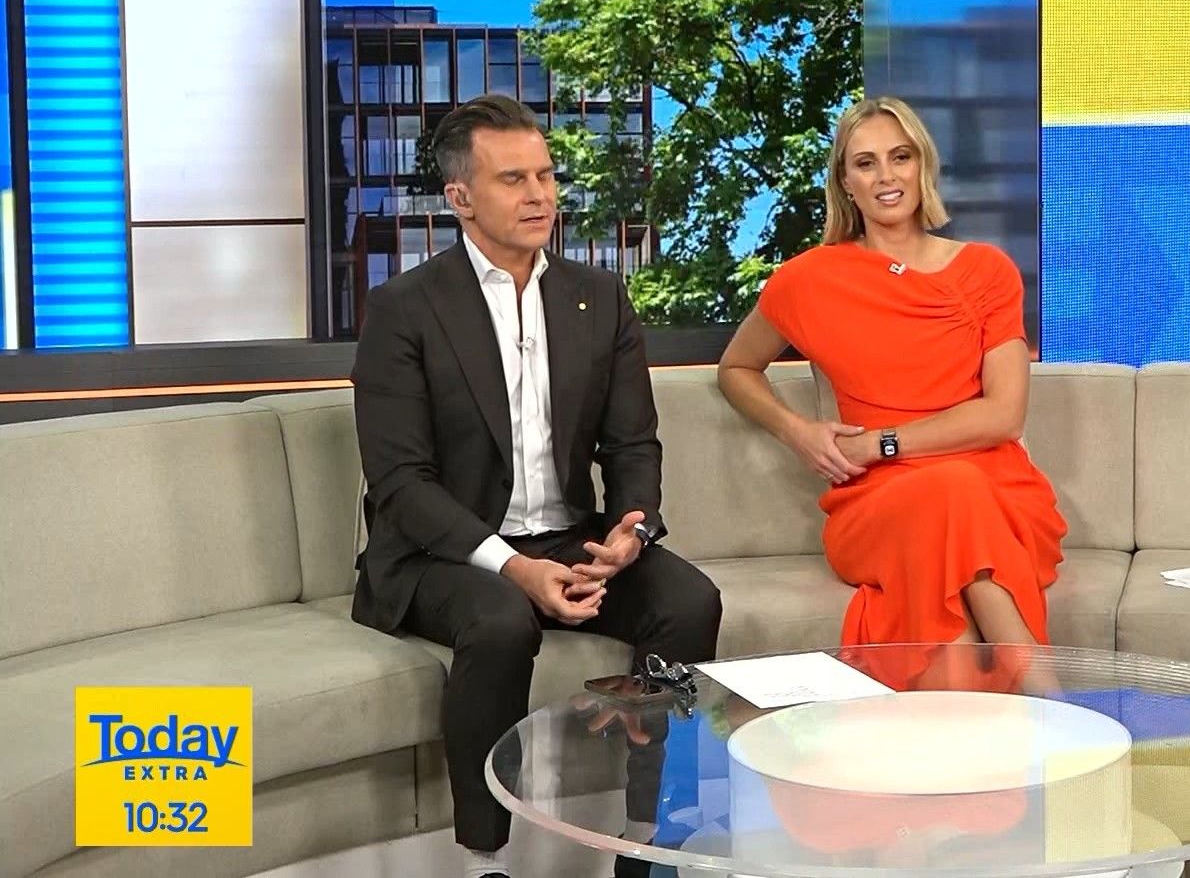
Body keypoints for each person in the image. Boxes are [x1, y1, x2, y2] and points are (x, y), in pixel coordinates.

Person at [350, 94, 722, 878]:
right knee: (500, 621)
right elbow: (401, 484)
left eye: (546, 176)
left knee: (689, 601)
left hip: (566, 535)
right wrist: (514, 568)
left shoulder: (598, 297)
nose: (540, 195)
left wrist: (631, 530)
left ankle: (650, 837)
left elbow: (632, 444)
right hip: (441, 553)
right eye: (513, 179)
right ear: (460, 197)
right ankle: (484, 858)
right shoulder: (404, 310)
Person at [716, 96, 1067, 671]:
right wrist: (798, 432)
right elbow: (736, 369)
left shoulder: (987, 271)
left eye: (900, 157)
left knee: (956, 498)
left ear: (922, 165)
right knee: (952, 498)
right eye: (866, 163)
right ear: (845, 182)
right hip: (876, 501)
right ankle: (1049, 701)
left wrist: (879, 444)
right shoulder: (810, 279)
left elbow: (1004, 416)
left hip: (995, 488)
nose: (886, 176)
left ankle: (977, 712)